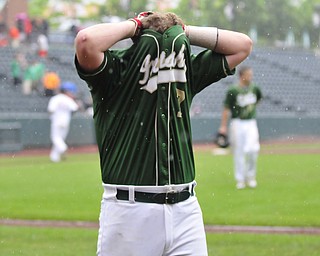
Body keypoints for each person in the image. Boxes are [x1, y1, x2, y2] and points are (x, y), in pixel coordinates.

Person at [74, 11, 252, 256]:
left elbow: (242, 45)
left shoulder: (185, 69)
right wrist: (135, 25)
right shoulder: (117, 69)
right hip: (130, 211)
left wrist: (183, 30)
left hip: (185, 208)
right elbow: (86, 41)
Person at [218, 66, 262, 190]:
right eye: (248, 74)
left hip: (251, 122)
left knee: (253, 149)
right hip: (237, 122)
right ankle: (240, 179)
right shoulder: (233, 90)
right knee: (239, 152)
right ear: (241, 75)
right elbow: (226, 108)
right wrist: (223, 126)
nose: (250, 77)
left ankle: (251, 177)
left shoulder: (255, 88)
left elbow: (258, 99)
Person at [47, 82, 79, 162]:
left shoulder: (55, 98)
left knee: (55, 138)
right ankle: (54, 157)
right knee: (60, 139)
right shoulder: (68, 99)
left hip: (56, 121)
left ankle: (63, 148)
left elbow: (51, 110)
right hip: (66, 121)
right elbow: (75, 108)